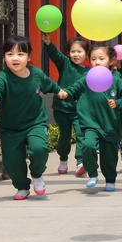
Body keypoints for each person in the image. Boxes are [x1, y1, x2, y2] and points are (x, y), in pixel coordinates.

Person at [61, 44, 122, 191]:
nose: (97, 62)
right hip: (91, 123)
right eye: (93, 59)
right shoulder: (86, 79)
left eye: (101, 59)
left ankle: (110, 180)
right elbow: (73, 91)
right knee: (88, 145)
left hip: (111, 125)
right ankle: (92, 173)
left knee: (109, 157)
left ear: (111, 61)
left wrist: (118, 103)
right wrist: (65, 94)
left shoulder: (117, 81)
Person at [0, 36, 66, 199]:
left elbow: (50, 84)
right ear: (4, 57)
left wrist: (59, 91)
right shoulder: (3, 78)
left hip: (35, 123)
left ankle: (37, 174)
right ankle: (22, 187)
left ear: (29, 57)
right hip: (11, 128)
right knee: (11, 163)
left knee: (39, 149)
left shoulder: (37, 74)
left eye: (20, 54)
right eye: (9, 54)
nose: (15, 58)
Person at [42, 33, 90, 176]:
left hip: (79, 110)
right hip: (61, 108)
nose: (76, 54)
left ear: (86, 54)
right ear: (68, 53)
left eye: (79, 51)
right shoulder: (65, 63)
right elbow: (54, 54)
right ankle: (63, 159)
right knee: (64, 135)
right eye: (73, 51)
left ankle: (80, 162)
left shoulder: (89, 72)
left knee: (81, 134)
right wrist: (48, 42)